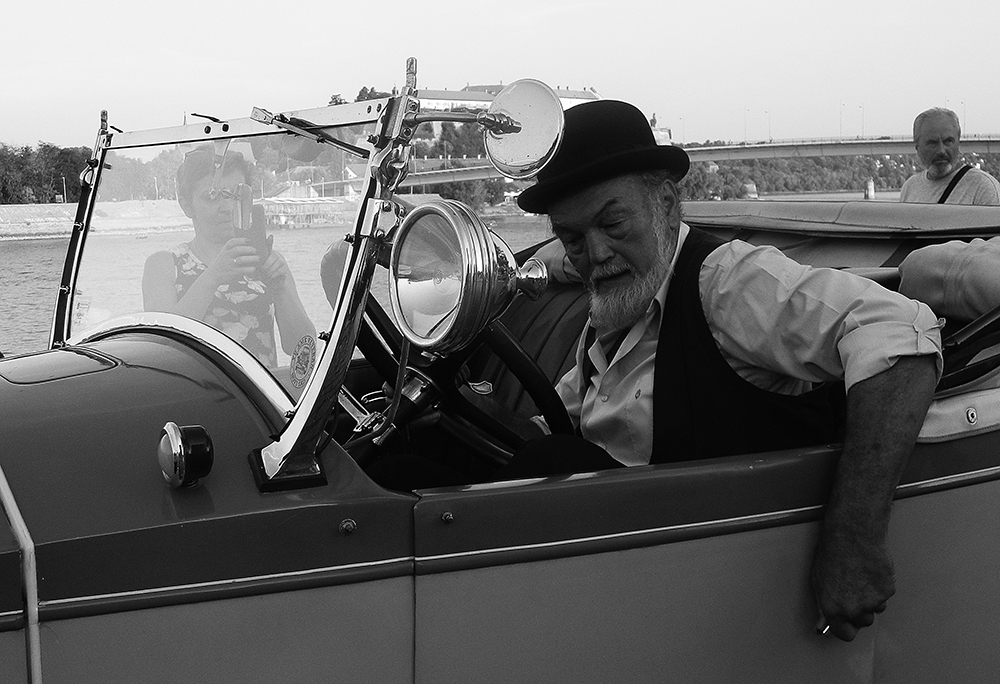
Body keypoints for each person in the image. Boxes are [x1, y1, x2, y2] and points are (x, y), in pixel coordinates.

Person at [506, 100, 943, 643]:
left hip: (717, 600)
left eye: (612, 224)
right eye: (572, 239)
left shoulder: (727, 282)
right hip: (621, 587)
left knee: (549, 464)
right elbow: (564, 412)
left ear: (667, 205)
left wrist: (854, 536)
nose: (594, 253)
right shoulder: (614, 309)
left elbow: (900, 332)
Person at [142, 145, 315, 367]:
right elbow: (161, 348)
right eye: (212, 196)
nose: (227, 207)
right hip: (196, 388)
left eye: (236, 195)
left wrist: (281, 290)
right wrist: (213, 277)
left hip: (259, 388)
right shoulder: (164, 265)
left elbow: (302, 348)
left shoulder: (267, 261)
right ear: (186, 205)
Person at [899, 107, 1000, 204]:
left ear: (958, 143)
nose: (941, 151)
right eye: (933, 143)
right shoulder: (910, 188)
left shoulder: (984, 187)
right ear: (917, 147)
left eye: (948, 141)